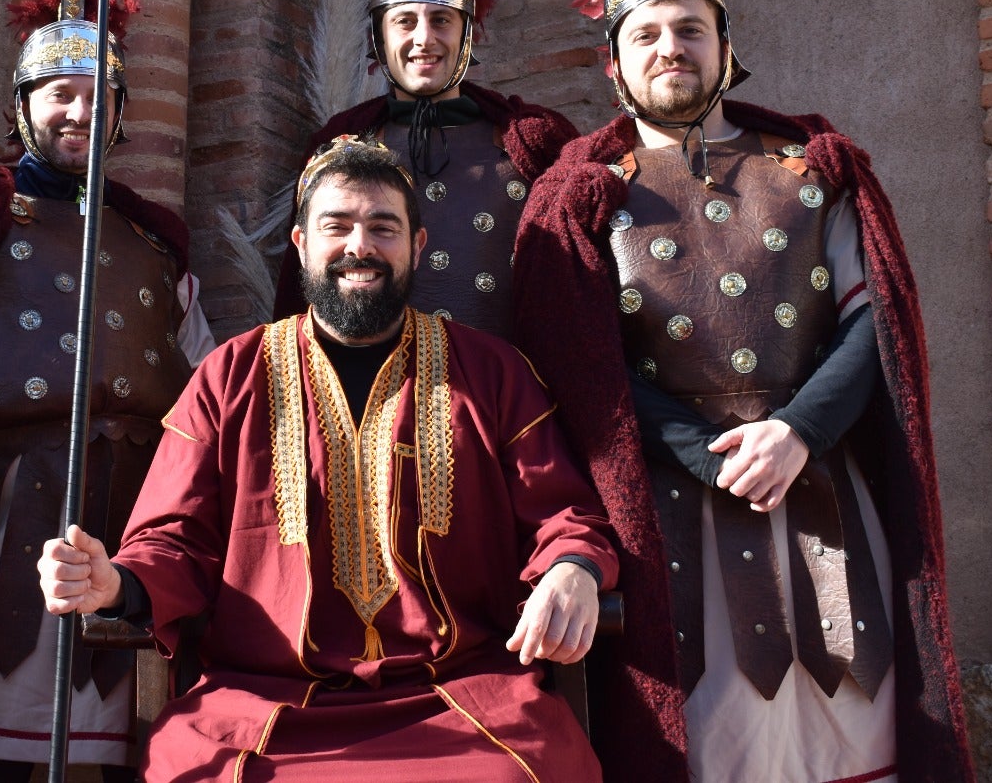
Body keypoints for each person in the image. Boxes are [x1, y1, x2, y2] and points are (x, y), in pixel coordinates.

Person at [514, 0, 973, 781]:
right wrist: (700, 448)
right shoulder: (584, 197)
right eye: (644, 34)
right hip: (675, 512)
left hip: (823, 488)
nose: (670, 48)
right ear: (613, 65)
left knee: (856, 729)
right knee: (718, 740)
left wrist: (798, 431)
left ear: (728, 46)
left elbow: (870, 327)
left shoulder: (810, 169)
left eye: (690, 28)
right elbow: (584, 373)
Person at [42, 136, 618, 782]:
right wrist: (116, 585)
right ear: (300, 244)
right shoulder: (228, 374)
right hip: (262, 699)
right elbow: (173, 539)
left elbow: (563, 513)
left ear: (418, 245)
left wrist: (574, 570)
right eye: (337, 225)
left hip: (462, 694)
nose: (359, 246)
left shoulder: (493, 372)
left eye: (383, 227)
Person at [0, 0, 216, 781]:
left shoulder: (153, 243)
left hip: (122, 520)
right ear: (22, 105)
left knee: (103, 754)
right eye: (59, 92)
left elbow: (205, 390)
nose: (79, 111)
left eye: (97, 96)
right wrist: (37, 387)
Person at [275, 0, 576, 336]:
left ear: (466, 32)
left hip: (506, 396)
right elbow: (303, 302)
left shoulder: (531, 143)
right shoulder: (339, 144)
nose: (423, 39)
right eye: (405, 21)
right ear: (380, 36)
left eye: (441, 20)